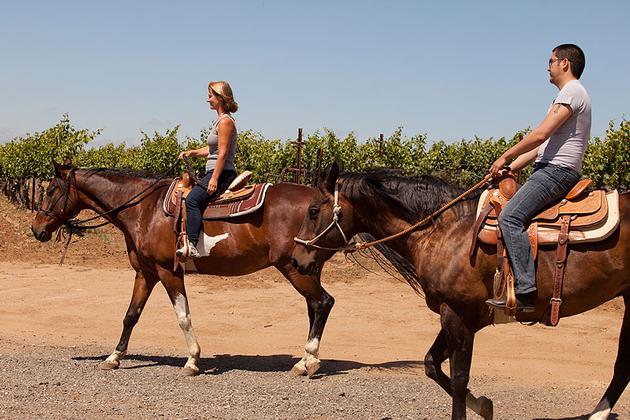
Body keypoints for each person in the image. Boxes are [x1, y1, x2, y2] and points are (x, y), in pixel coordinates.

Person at [485, 44, 591, 312]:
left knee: (510, 217)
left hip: (556, 172)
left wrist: (505, 156)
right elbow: (538, 148)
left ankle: (525, 293)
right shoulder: (563, 97)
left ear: (565, 63)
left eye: (552, 60)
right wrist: (510, 169)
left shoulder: (572, 92)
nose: (548, 66)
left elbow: (540, 135)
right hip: (548, 167)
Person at [177, 81, 239, 258]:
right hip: (215, 171)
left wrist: (214, 178)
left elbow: (223, 153)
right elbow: (212, 150)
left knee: (192, 201)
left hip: (222, 173)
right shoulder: (220, 120)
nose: (208, 99)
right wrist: (193, 152)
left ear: (220, 98)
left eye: (211, 96)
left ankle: (193, 245)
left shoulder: (225, 122)